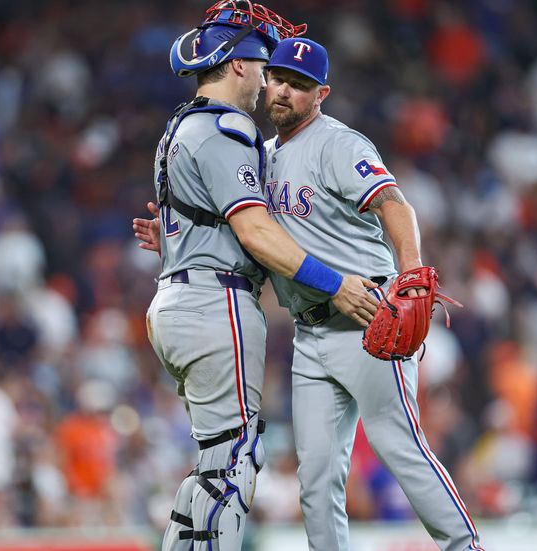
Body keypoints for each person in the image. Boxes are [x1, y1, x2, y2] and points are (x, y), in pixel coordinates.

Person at [136, 35, 484, 551]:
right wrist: (190, 236)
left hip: (366, 318)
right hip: (310, 334)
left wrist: (411, 270)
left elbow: (395, 204)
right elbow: (256, 236)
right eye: (277, 78)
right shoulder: (261, 153)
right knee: (317, 480)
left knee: (399, 448)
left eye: (299, 86)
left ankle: (466, 546)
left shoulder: (339, 143)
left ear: (321, 94)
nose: (282, 93)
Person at [143, 4, 379, 550]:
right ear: (241, 66)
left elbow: (206, 220)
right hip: (214, 303)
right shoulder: (227, 128)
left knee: (212, 462)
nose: (269, 78)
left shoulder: (181, 125)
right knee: (235, 459)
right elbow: (254, 231)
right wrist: (337, 283)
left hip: (179, 300)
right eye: (264, 64)